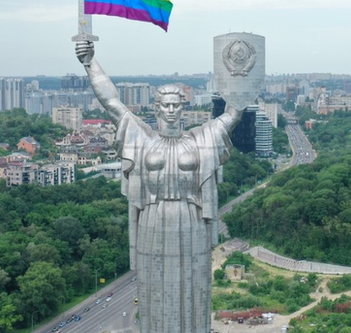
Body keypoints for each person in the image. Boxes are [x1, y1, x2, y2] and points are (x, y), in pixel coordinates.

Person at [76, 41, 241, 333]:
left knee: (195, 286)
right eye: (165, 105)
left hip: (190, 219)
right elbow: (111, 102)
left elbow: (233, 114)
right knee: (153, 290)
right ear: (156, 107)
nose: (171, 110)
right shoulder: (143, 138)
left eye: (176, 105)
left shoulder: (201, 139)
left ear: (184, 107)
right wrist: (90, 63)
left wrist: (238, 72)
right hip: (152, 219)